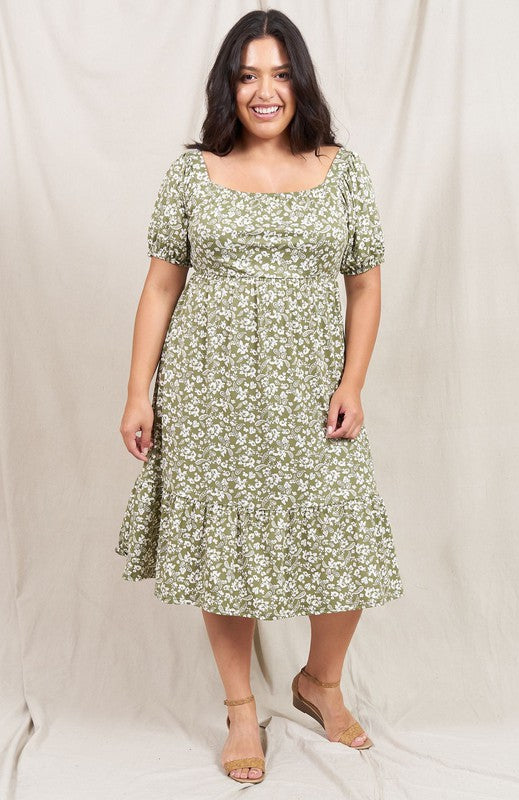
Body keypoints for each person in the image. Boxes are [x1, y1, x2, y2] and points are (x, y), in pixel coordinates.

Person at [116, 8, 404, 786]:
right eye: (247, 75)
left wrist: (352, 382)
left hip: (313, 387)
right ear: (228, 86)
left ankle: (320, 684)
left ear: (299, 82)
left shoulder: (342, 168)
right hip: (209, 389)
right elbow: (161, 285)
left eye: (278, 73)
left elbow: (366, 283)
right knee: (225, 549)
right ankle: (242, 711)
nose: (263, 90)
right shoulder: (191, 171)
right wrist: (138, 392)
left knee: (343, 538)